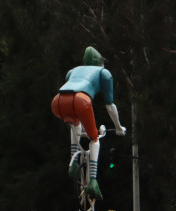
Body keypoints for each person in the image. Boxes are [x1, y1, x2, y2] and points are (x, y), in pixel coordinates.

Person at [51, 46, 127, 200]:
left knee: (75, 123)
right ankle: (93, 180)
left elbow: (70, 89)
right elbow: (110, 106)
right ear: (100, 62)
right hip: (80, 101)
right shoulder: (103, 73)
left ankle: (73, 162)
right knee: (94, 139)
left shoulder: (72, 71)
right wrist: (119, 127)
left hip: (57, 102)